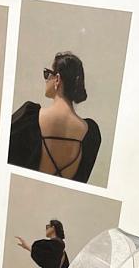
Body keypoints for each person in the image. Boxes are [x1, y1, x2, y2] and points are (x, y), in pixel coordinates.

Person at [8, 51, 101, 182]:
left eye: (47, 74)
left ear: (57, 79)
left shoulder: (29, 117)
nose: (46, 79)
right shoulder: (91, 134)